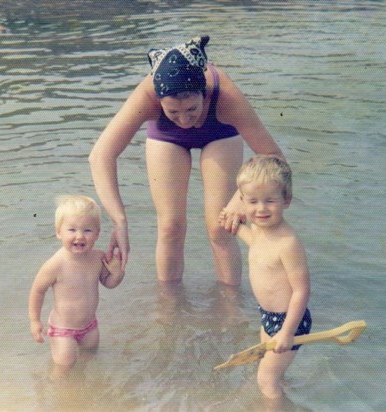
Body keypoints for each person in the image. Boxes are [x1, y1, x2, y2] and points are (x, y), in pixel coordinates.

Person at [89, 35, 284, 285]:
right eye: (174, 112)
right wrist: (120, 222)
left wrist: (241, 198)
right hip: (166, 136)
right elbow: (100, 155)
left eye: (192, 109)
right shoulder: (147, 97)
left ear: (203, 93)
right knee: (171, 227)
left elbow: (274, 157)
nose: (184, 119)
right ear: (159, 102)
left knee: (220, 227)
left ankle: (230, 308)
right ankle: (170, 309)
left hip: (218, 130)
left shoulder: (225, 96)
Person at [220, 155, 311, 400]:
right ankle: (282, 395)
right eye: (252, 201)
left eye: (270, 201)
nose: (261, 209)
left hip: (290, 320)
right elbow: (258, 248)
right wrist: (238, 229)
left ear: (286, 200)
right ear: (241, 201)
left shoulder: (288, 243)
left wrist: (288, 332)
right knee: (270, 369)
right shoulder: (261, 228)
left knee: (265, 380)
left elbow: (301, 290)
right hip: (268, 316)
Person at [29, 195, 124, 378]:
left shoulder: (98, 258)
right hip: (62, 329)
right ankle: (59, 397)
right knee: (64, 367)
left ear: (97, 233)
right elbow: (37, 290)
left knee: (89, 360)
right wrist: (34, 320)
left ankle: (83, 396)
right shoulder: (56, 264)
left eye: (87, 230)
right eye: (71, 229)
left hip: (90, 326)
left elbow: (109, 284)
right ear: (59, 232)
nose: (79, 236)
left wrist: (117, 273)